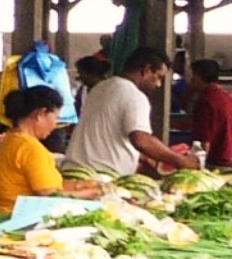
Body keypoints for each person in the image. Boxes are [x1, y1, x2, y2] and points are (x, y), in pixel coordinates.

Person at [69, 46, 195, 177]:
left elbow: (108, 135)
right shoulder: (134, 95)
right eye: (159, 77)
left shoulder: (101, 87)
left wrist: (143, 158)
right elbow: (141, 139)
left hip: (77, 171)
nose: (158, 84)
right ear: (147, 70)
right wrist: (181, 161)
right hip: (102, 176)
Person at [0, 86, 102, 217]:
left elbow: (50, 186)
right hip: (21, 218)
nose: (55, 125)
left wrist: (81, 185)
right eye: (55, 118)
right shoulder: (30, 148)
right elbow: (49, 195)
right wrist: (89, 193)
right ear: (41, 114)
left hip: (5, 214)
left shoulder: (11, 138)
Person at [187, 59, 232, 169]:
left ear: (199, 77)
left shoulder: (205, 101)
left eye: (192, 76)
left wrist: (199, 166)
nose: (190, 80)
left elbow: (204, 140)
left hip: (215, 162)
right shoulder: (226, 97)